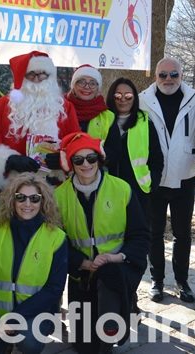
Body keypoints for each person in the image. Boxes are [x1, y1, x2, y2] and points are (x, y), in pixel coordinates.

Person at [53, 132, 150, 353]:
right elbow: (57, 244)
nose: (86, 164)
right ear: (70, 164)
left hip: (117, 268)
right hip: (82, 273)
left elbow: (141, 235)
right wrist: (83, 263)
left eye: (91, 158)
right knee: (84, 345)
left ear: (99, 159)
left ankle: (121, 314)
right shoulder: (59, 196)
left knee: (107, 334)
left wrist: (116, 257)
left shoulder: (121, 188)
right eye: (78, 160)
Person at [0, 172, 68, 354]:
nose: (27, 204)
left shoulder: (56, 237)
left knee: (29, 342)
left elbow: (54, 288)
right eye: (20, 198)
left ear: (43, 202)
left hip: (34, 315)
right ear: (12, 200)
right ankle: (5, 340)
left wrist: (13, 319)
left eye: (34, 198)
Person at [139, 57, 195, 304]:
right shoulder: (144, 100)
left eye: (173, 75)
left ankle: (182, 281)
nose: (168, 79)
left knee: (183, 234)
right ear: (155, 77)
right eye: (163, 75)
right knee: (154, 234)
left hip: (184, 177)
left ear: (181, 75)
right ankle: (156, 281)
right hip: (155, 178)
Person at [0, 51, 80, 189]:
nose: (37, 79)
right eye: (31, 74)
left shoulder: (65, 107)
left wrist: (63, 157)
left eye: (43, 74)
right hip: (12, 185)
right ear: (22, 76)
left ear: (50, 76)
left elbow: (75, 140)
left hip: (55, 185)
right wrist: (9, 159)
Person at [104, 78, 163, 218]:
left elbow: (157, 159)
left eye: (128, 96)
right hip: (106, 190)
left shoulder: (145, 123)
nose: (123, 99)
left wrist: (152, 182)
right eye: (117, 95)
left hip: (138, 191)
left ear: (134, 98)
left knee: (138, 234)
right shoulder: (101, 121)